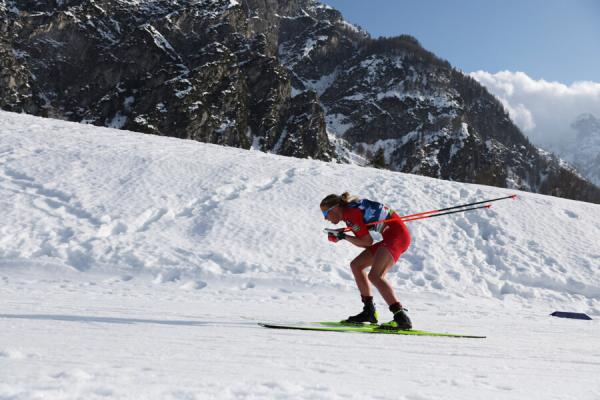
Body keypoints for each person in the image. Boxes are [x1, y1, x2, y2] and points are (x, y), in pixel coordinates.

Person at [320, 192, 412, 329]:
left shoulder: (350, 214)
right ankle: (369, 311)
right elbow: (362, 228)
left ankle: (401, 317)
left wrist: (343, 236)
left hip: (396, 238)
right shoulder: (350, 211)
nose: (326, 218)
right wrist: (343, 234)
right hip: (392, 236)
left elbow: (367, 242)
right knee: (356, 265)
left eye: (326, 214)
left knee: (375, 276)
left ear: (335, 208)